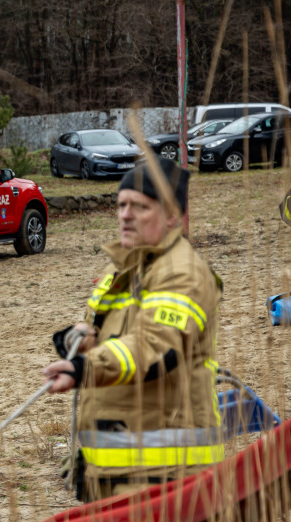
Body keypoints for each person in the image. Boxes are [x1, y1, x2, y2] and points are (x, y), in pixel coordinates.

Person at [42, 158, 223, 502]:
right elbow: (121, 340)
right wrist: (82, 341)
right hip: (116, 471)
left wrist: (86, 368)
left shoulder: (182, 273)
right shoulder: (123, 271)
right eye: (122, 204)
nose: (125, 214)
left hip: (165, 478)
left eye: (139, 206)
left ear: (172, 216)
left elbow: (156, 347)